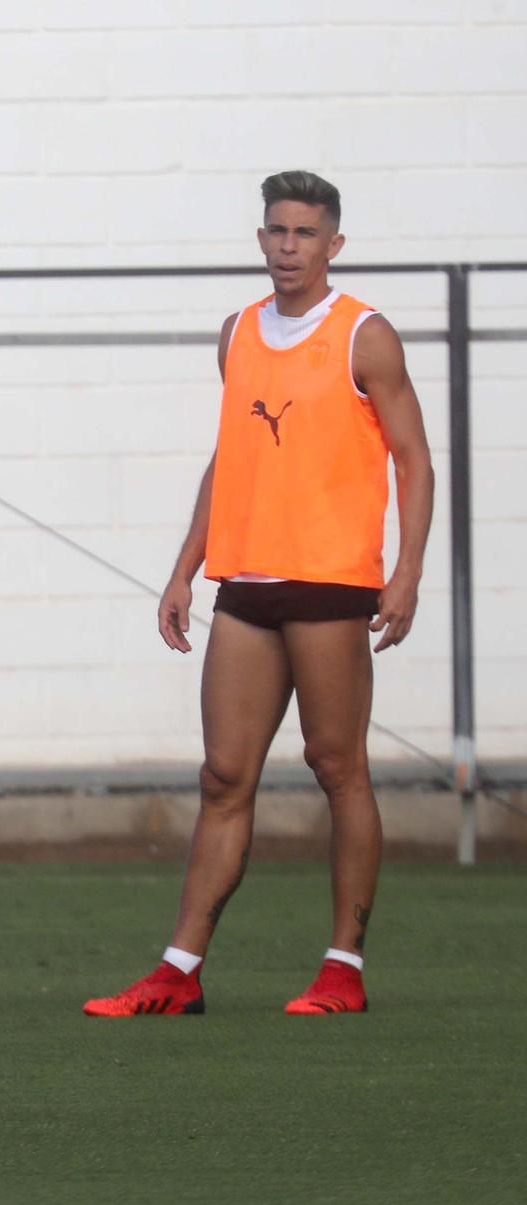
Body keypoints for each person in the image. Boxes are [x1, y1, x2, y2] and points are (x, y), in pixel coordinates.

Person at [85, 171, 434, 1019]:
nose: (289, 247)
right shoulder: (236, 333)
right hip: (245, 584)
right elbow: (229, 458)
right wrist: (184, 567)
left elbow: (415, 459)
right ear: (261, 238)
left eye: (306, 234)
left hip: (330, 584)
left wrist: (407, 573)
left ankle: (341, 970)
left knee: (337, 767)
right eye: (277, 231)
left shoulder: (365, 337)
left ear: (334, 245)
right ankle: (178, 971)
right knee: (223, 777)